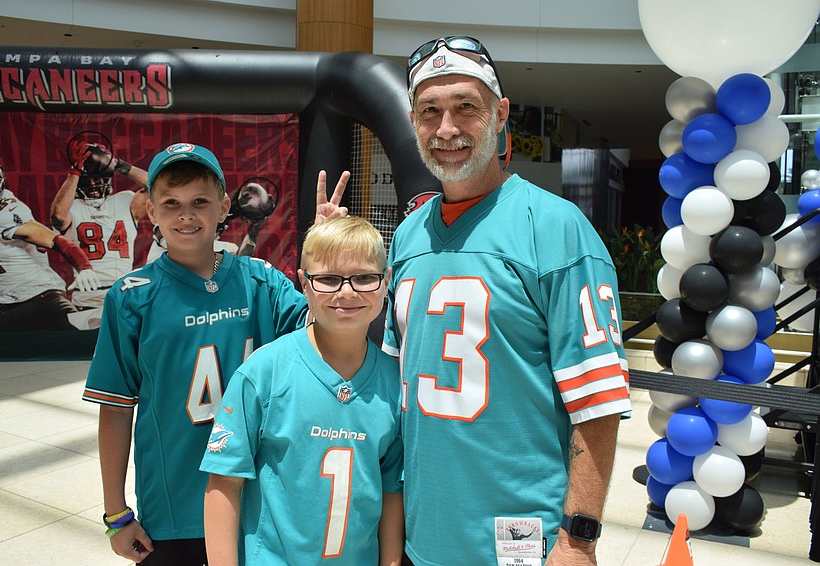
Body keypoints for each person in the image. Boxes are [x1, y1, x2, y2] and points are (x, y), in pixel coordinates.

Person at [382, 36, 632, 565]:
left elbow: (598, 402)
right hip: (422, 537)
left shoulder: (558, 228)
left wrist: (578, 537)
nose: (446, 128)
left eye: (465, 108)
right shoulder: (407, 237)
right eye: (430, 112)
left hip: (524, 540)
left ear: (500, 114)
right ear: (413, 121)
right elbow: (392, 385)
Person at [82, 142, 349, 565]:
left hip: (258, 501)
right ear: (151, 211)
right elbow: (116, 408)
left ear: (225, 206)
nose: (186, 215)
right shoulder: (131, 297)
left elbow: (329, 335)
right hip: (172, 507)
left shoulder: (261, 280)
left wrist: (325, 250)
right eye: (171, 203)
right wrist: (116, 514)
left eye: (200, 202)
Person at [201, 215, 403, 565]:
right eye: (327, 279)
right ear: (303, 284)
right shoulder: (263, 373)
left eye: (365, 278)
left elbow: (391, 491)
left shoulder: (393, 383)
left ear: (386, 282)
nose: (346, 292)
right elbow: (224, 482)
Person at [0, 156, 101, 331]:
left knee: (79, 333)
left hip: (41, 293)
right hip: (7, 300)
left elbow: (56, 240)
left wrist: (84, 267)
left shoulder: (7, 214)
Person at [50, 140, 149, 311]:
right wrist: (74, 172)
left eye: (99, 179)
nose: (95, 185)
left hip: (122, 292)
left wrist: (118, 164)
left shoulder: (125, 200)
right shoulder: (72, 206)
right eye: (89, 180)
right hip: (87, 293)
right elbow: (58, 215)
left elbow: (158, 187)